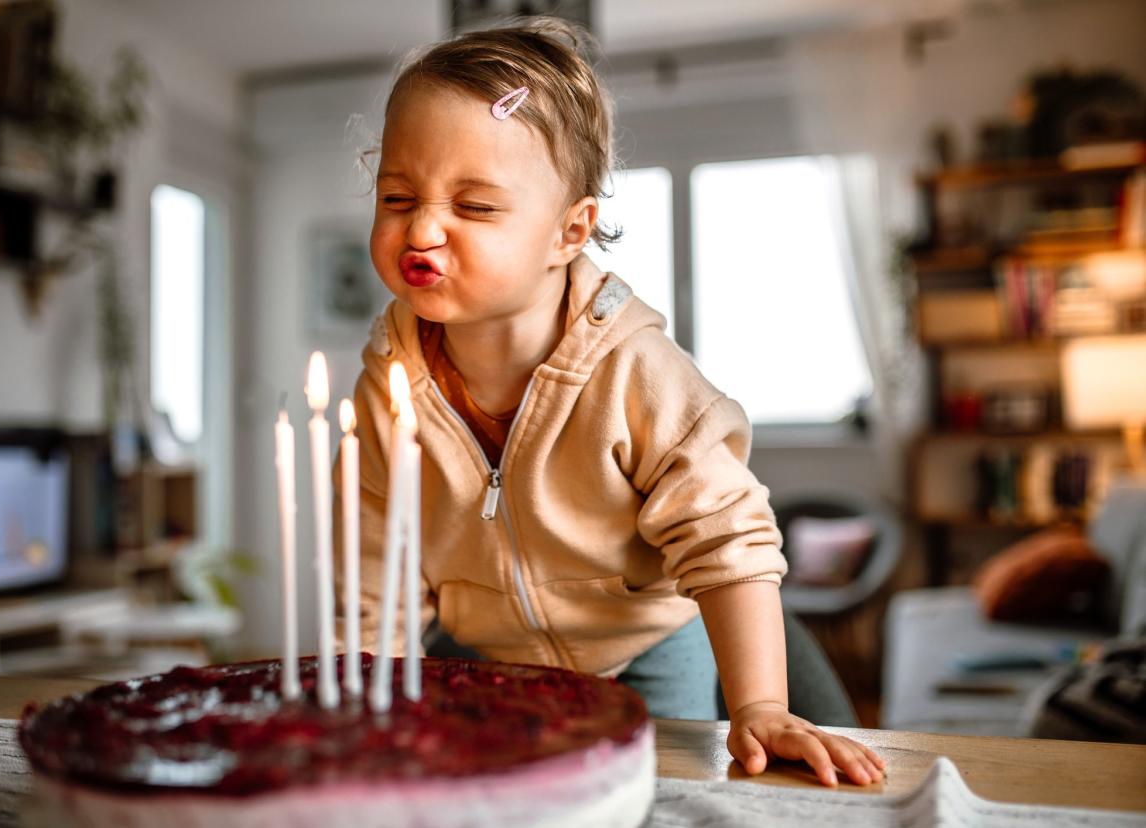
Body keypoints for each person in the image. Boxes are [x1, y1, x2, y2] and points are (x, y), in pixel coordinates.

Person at [338, 17, 885, 788]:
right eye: (398, 196)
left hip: (649, 657)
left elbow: (728, 537)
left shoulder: (636, 371)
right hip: (485, 662)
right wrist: (374, 694)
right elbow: (374, 562)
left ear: (570, 231)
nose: (422, 226)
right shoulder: (387, 388)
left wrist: (761, 704)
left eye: (475, 206)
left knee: (657, 801)